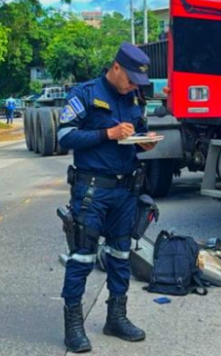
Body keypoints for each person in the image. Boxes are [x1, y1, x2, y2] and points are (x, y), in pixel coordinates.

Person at [58, 42, 157, 353]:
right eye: (129, 80)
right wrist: (107, 134)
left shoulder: (133, 98)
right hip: (92, 191)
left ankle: (116, 317)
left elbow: (139, 132)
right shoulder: (85, 94)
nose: (132, 87)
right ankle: (73, 326)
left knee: (121, 256)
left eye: (136, 83)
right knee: (82, 257)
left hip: (126, 191)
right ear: (116, 68)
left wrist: (145, 143)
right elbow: (63, 136)